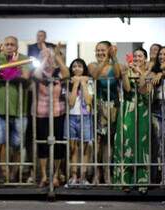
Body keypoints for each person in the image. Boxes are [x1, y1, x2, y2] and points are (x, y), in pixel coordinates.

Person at [0, 35, 31, 183]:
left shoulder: (24, 58)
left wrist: (4, 74)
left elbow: (25, 78)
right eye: (7, 44)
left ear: (17, 47)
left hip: (20, 110)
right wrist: (13, 71)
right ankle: (2, 173)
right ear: (2, 46)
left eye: (12, 44)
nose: (10, 46)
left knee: (17, 145)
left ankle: (14, 174)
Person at [113, 47, 151, 194]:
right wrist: (124, 74)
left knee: (141, 144)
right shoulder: (127, 71)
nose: (137, 58)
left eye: (140, 56)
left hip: (143, 111)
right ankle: (124, 181)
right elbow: (127, 89)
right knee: (125, 143)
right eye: (135, 56)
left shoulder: (148, 72)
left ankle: (142, 181)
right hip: (128, 110)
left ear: (145, 59)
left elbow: (143, 89)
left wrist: (140, 73)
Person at [33, 44, 69, 187]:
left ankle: (55, 175)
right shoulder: (40, 73)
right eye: (43, 56)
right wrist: (44, 59)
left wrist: (57, 58)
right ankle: (44, 175)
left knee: (58, 143)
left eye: (48, 56)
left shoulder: (59, 72)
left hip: (58, 112)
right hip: (42, 112)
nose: (47, 58)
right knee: (43, 144)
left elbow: (67, 74)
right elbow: (36, 75)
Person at [88, 41, 121, 184]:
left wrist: (114, 58)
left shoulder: (114, 66)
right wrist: (104, 59)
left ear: (109, 50)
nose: (100, 53)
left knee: (109, 143)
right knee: (98, 142)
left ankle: (107, 174)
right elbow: (95, 75)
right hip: (99, 107)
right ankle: (97, 173)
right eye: (98, 50)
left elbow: (119, 74)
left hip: (113, 107)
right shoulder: (92, 65)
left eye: (103, 50)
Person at [64, 58, 93, 186]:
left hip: (85, 117)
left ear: (84, 69)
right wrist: (75, 84)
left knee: (85, 148)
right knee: (73, 148)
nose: (77, 69)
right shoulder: (68, 82)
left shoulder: (89, 81)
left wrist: (84, 84)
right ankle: (74, 176)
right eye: (74, 66)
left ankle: (83, 177)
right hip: (71, 117)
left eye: (80, 66)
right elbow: (70, 102)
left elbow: (88, 101)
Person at [150, 46, 165, 184]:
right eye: (160, 54)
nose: (161, 56)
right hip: (157, 109)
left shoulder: (160, 73)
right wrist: (158, 73)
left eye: (164, 54)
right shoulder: (154, 70)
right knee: (158, 143)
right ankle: (159, 176)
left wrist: (162, 73)